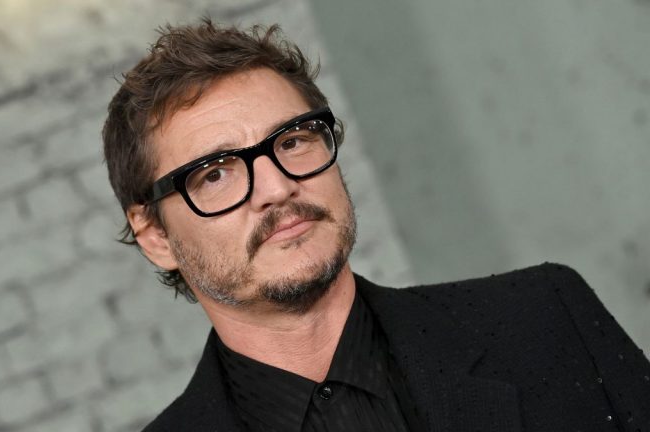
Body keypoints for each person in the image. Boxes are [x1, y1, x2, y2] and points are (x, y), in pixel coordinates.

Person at [102, 19, 650, 432]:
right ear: (155, 237)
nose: (277, 187)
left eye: (292, 141)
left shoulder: (546, 319)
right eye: (215, 173)